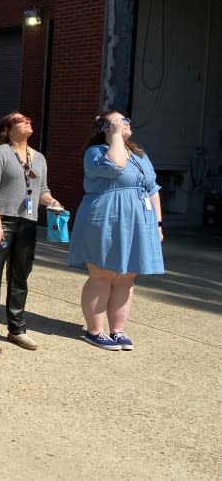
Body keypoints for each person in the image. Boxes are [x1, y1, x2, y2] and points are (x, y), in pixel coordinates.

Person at [67, 112, 164, 351]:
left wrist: (158, 224)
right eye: (120, 121)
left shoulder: (139, 154)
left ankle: (118, 330)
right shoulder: (96, 153)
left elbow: (152, 188)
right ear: (106, 129)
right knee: (102, 275)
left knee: (126, 277)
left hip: (139, 221)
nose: (126, 123)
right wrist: (116, 136)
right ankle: (95, 330)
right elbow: (116, 165)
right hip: (106, 218)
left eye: (127, 120)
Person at [0, 113, 63, 353]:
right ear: (8, 127)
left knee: (20, 276)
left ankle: (16, 328)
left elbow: (41, 190)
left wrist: (52, 202)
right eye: (20, 119)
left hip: (28, 222)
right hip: (1, 220)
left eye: (29, 118)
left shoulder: (40, 158)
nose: (28, 121)